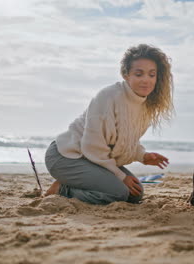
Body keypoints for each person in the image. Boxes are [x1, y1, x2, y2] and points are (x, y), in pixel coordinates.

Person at [44, 44, 174, 205]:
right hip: (66, 156)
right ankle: (63, 189)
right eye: (139, 74)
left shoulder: (145, 106)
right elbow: (93, 146)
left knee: (135, 195)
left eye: (152, 75)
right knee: (117, 193)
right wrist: (121, 177)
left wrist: (143, 156)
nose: (146, 80)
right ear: (126, 75)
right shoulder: (108, 96)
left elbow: (124, 141)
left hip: (93, 160)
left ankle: (77, 185)